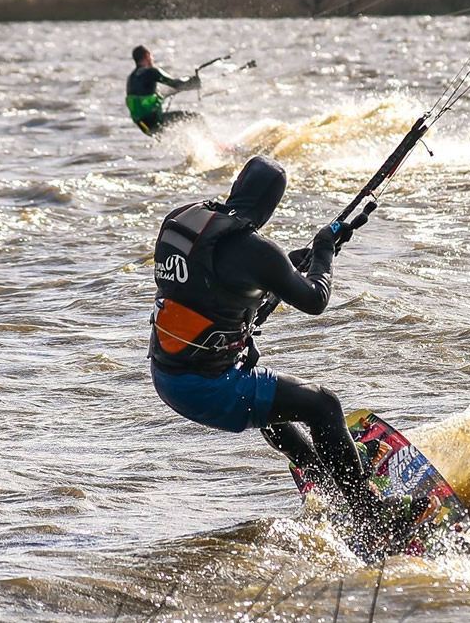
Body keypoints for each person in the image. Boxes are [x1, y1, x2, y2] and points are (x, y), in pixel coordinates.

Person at [147, 155, 434, 545]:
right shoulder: (257, 252)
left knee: (275, 404)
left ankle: (321, 475)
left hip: (167, 372)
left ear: (237, 187)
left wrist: (305, 257)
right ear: (271, 204)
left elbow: (227, 278)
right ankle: (370, 513)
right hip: (205, 388)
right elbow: (315, 299)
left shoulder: (183, 220)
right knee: (323, 405)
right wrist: (324, 253)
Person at [125, 45, 201, 136]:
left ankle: (191, 148)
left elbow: (148, 96)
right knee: (197, 118)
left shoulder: (131, 78)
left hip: (144, 126)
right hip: (156, 122)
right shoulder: (151, 72)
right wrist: (192, 81)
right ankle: (218, 146)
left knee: (179, 132)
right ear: (147, 55)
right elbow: (175, 84)